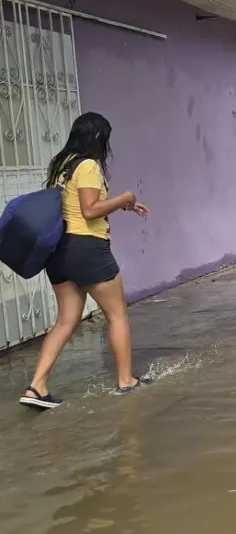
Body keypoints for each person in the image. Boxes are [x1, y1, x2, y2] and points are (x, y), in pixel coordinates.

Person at [19, 112, 151, 410]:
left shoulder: (62, 166)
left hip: (59, 252)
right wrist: (126, 195)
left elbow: (76, 208)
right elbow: (89, 211)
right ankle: (126, 381)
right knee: (117, 315)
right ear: (96, 138)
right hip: (87, 249)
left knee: (66, 321)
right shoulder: (89, 165)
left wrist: (124, 205)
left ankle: (36, 386)